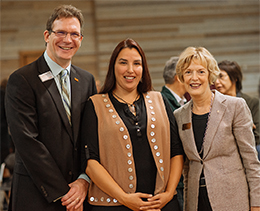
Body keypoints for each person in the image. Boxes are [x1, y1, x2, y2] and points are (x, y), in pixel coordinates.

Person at [5, 5, 96, 211]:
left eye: (74, 34)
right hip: (37, 195)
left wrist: (84, 181)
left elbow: (91, 137)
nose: (67, 39)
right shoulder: (22, 80)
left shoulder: (86, 80)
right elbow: (27, 142)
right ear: (47, 35)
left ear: (81, 40)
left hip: (80, 195)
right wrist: (64, 193)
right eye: (61, 32)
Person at [81, 38, 184, 211]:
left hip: (162, 204)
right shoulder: (95, 104)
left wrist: (169, 193)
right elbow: (90, 162)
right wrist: (124, 198)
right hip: (115, 205)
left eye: (137, 63)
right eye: (123, 63)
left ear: (143, 70)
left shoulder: (160, 100)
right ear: (113, 67)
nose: (130, 70)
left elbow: (176, 151)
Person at [174, 46, 260, 211]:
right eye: (188, 72)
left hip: (232, 200)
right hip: (196, 203)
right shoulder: (179, 115)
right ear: (181, 78)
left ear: (210, 75)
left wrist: (257, 204)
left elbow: (251, 161)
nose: (194, 78)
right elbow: (187, 168)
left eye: (200, 72)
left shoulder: (235, 106)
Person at [215, 60, 259, 152]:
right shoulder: (213, 104)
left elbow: (257, 136)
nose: (216, 82)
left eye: (221, 77)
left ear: (235, 78)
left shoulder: (252, 102)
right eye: (215, 78)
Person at [161, 56, 186, 210]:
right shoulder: (162, 101)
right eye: (188, 72)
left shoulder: (183, 101)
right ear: (178, 78)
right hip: (176, 180)